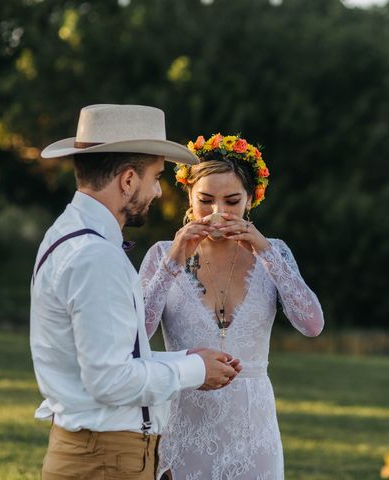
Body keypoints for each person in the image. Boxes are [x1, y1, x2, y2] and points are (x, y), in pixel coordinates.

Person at [30, 105, 241, 480]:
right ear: (128, 180)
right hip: (106, 457)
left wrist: (179, 358)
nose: (159, 191)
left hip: (95, 450)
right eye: (155, 177)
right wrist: (194, 370)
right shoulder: (96, 256)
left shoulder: (66, 235)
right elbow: (110, 382)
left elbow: (104, 359)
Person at [139, 133, 325, 479]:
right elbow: (137, 335)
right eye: (205, 200)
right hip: (185, 422)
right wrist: (175, 259)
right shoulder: (161, 255)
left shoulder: (275, 253)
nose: (218, 213)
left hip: (254, 429)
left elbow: (312, 325)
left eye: (232, 201)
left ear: (251, 201)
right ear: (189, 196)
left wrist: (266, 252)